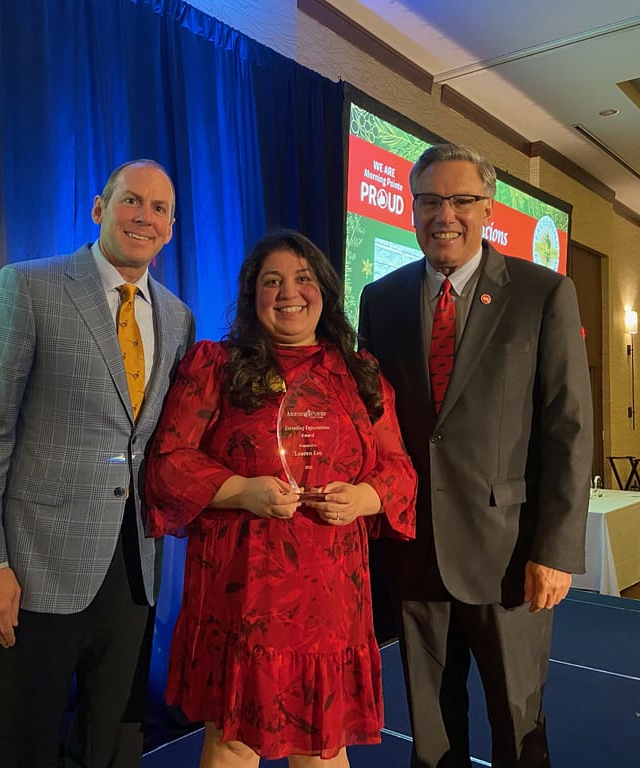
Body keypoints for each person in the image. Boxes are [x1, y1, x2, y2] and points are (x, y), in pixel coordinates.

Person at [0, 159, 195, 768]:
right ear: (98, 208)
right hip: (33, 568)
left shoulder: (176, 316)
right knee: (21, 742)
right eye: (132, 201)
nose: (145, 217)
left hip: (132, 569)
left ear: (170, 228)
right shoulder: (28, 287)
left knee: (112, 744)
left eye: (160, 209)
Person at [358, 143, 593, 768]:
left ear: (488, 210)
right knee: (432, 738)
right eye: (430, 201)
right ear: (411, 211)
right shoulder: (379, 301)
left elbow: (567, 429)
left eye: (462, 200)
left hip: (510, 557)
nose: (446, 215)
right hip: (414, 552)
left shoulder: (544, 292)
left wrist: (556, 550)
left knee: (519, 728)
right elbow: (373, 425)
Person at [145, 230, 416, 767]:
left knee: (321, 745)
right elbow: (169, 465)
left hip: (330, 599)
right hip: (241, 593)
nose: (288, 293)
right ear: (252, 296)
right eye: (272, 281)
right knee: (234, 743)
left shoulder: (360, 374)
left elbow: (400, 471)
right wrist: (243, 491)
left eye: (302, 279)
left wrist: (362, 497)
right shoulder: (215, 368)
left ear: (324, 291)